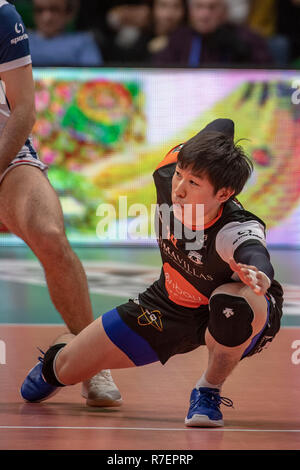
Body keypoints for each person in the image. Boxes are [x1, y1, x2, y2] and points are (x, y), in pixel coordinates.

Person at [21, 117, 283, 427]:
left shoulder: (235, 228)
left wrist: (259, 272)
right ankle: (60, 356)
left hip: (230, 311)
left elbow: (253, 251)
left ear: (224, 194)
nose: (179, 189)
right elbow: (223, 123)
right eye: (180, 176)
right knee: (63, 368)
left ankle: (207, 392)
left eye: (194, 183)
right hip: (168, 304)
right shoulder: (168, 171)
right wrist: (212, 151)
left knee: (233, 304)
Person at [0, 0, 121, 406]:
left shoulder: (2, 15)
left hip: (4, 150)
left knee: (49, 234)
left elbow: (23, 111)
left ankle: (91, 364)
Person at [153, 0, 273, 67]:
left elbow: (267, 75)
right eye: (199, 7)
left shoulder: (248, 37)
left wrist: (244, 54)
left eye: (212, 7)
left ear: (224, 11)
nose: (205, 15)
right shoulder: (179, 38)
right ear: (190, 11)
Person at [27, 0, 103, 66]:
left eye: (54, 9)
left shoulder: (83, 42)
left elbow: (93, 77)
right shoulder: (22, 41)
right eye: (39, 10)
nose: (47, 17)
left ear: (69, 14)